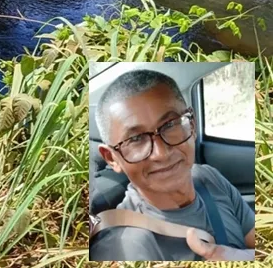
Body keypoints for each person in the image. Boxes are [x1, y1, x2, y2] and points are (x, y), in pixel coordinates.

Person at [89, 69, 255, 261]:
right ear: (112, 158)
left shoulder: (208, 177)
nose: (161, 153)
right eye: (136, 139)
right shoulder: (125, 245)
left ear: (191, 126)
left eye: (170, 125)